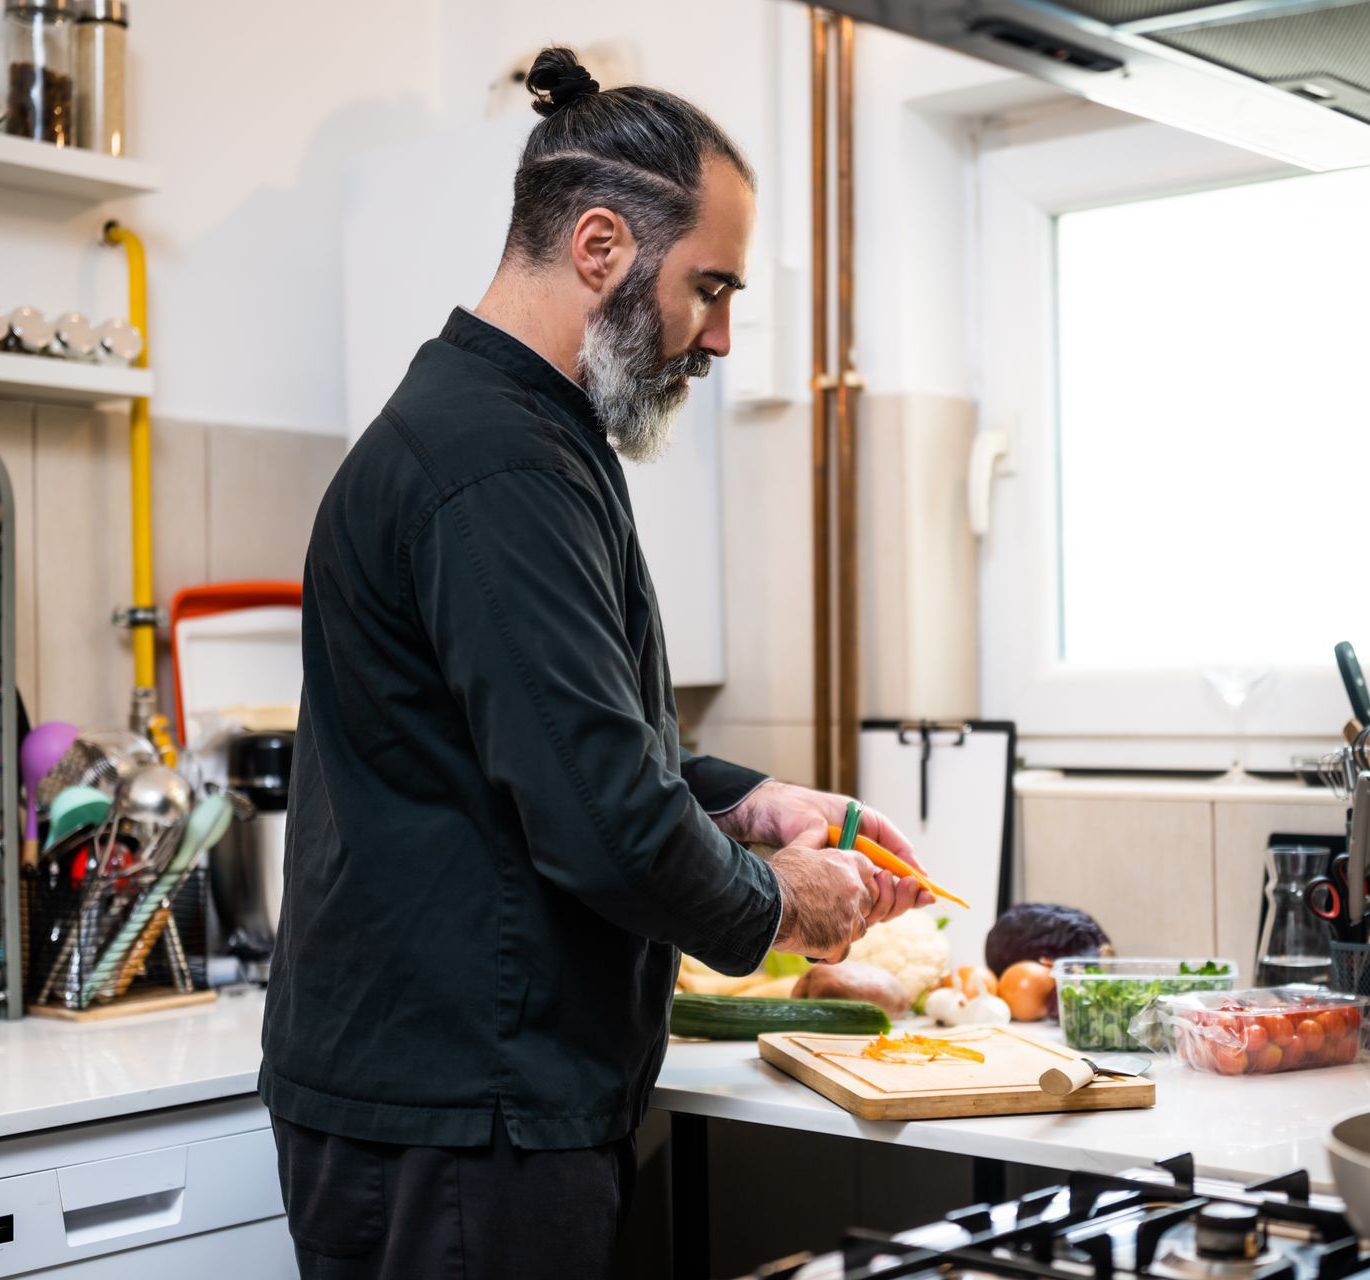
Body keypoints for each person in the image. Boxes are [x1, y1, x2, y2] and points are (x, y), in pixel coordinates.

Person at [260, 47, 933, 1280]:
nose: (721, 337)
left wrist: (746, 800)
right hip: (465, 1113)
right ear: (603, 247)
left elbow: (581, 743)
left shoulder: (521, 436)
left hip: (466, 1105)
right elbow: (604, 819)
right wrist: (784, 900)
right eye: (711, 289)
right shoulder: (500, 466)